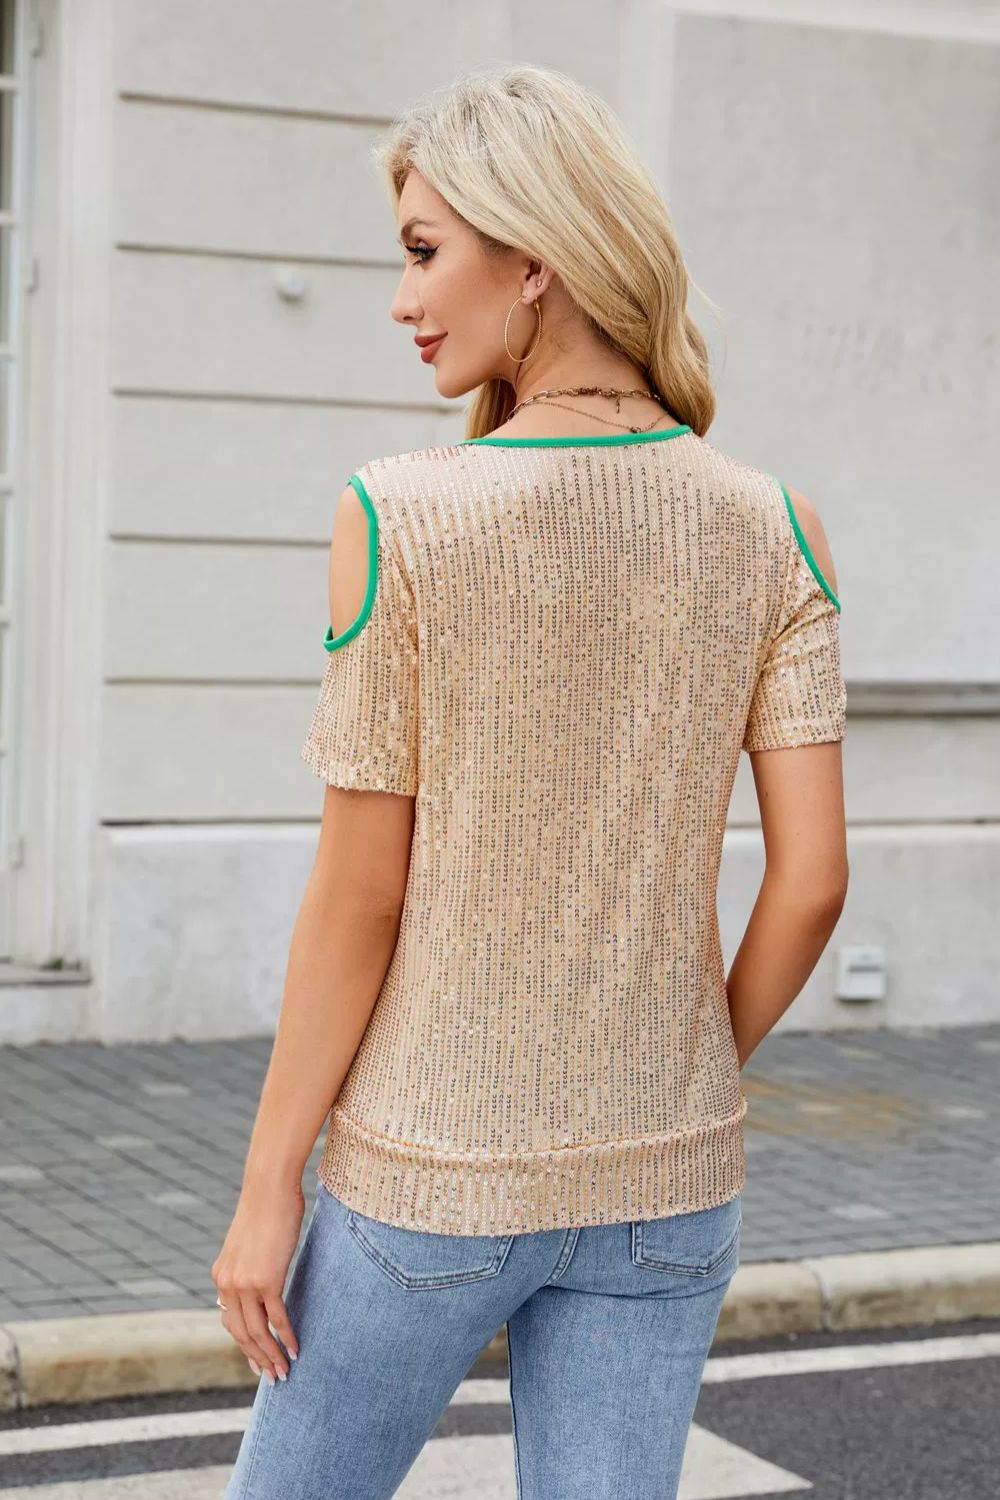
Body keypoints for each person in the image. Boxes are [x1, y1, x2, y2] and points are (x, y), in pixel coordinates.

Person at [214, 62, 848, 1500]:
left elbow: (359, 896)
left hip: (432, 1177)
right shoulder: (779, 527)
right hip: (668, 1190)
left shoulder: (398, 516)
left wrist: (266, 1190)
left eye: (423, 252)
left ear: (536, 261)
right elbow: (813, 882)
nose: (402, 300)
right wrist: (686, 1067)